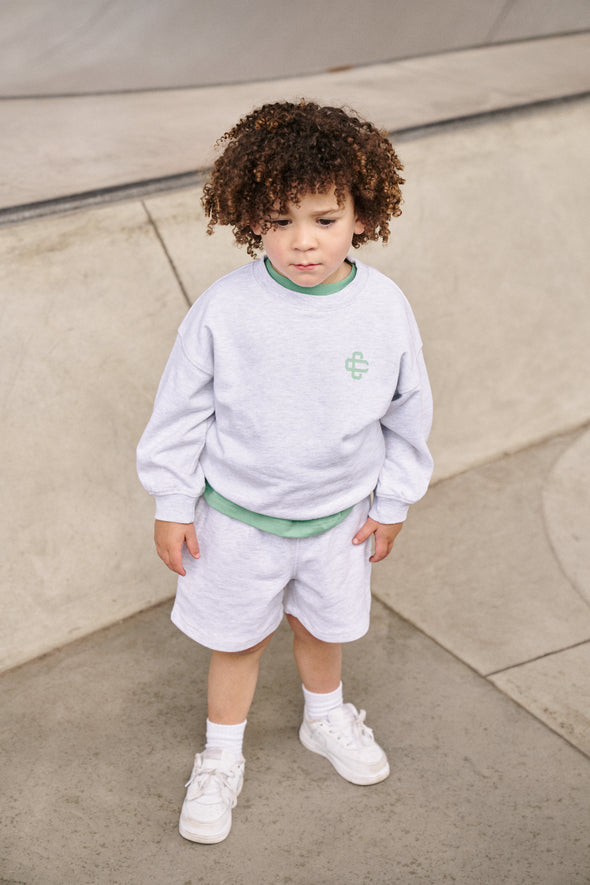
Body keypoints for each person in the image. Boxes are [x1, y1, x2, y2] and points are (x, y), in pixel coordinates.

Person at [137, 99, 433, 844]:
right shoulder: (226, 309)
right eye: (279, 220)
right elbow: (180, 411)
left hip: (340, 518)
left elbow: (408, 413)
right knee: (237, 640)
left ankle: (324, 717)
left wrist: (394, 501)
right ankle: (221, 755)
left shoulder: (384, 307)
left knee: (320, 626)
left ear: (362, 214)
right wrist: (173, 501)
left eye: (324, 219)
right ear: (250, 219)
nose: (302, 241)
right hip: (237, 520)